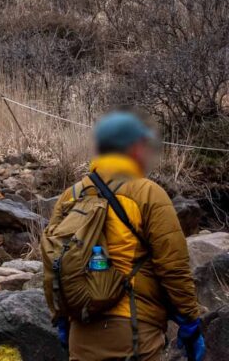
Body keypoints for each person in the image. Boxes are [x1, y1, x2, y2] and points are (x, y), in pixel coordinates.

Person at [44, 111, 205, 361]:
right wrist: (190, 322)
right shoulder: (148, 193)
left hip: (81, 332)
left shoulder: (71, 195)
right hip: (133, 332)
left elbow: (53, 264)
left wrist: (61, 318)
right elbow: (173, 267)